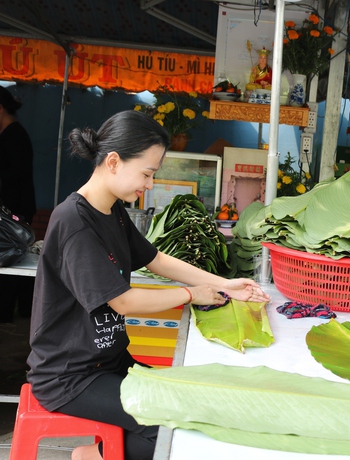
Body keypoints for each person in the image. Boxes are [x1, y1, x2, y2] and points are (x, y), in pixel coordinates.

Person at [26, 110, 271, 460]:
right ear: (113, 161)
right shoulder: (75, 223)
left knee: (189, 403)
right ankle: (92, 457)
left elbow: (155, 259)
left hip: (107, 363)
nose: (150, 185)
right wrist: (191, 295)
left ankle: (95, 453)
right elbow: (122, 302)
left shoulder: (112, 212)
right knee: (165, 428)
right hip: (70, 377)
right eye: (147, 173)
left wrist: (225, 284)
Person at [0, 85, 36, 322]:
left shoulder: (14, 135)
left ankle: (12, 313)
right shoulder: (10, 134)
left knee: (11, 265)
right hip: (12, 212)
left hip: (14, 214)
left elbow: (13, 177)